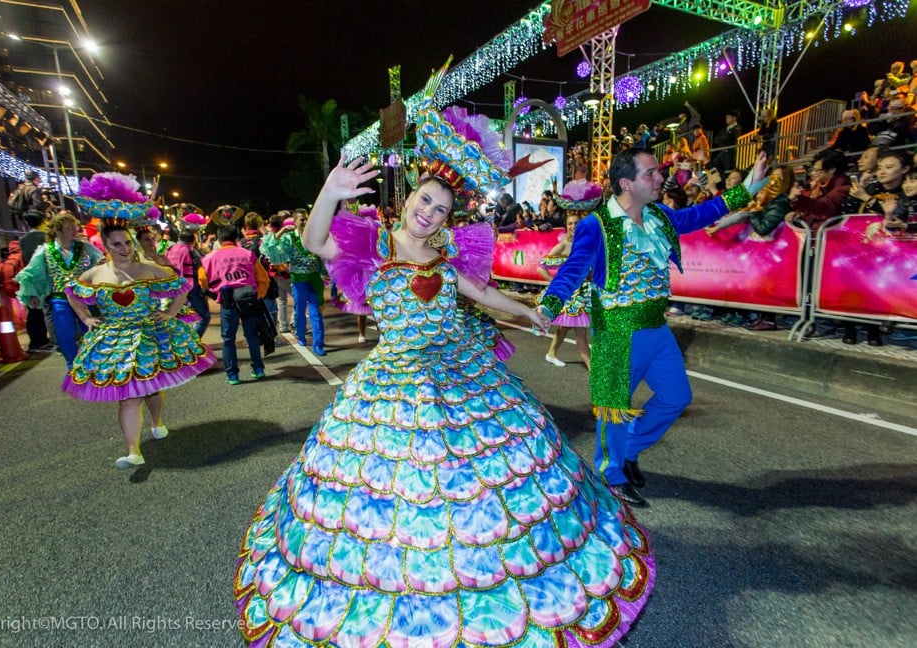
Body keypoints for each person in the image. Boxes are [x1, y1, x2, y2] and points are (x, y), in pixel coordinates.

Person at [234, 59, 655, 647]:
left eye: (438, 209)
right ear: (407, 198)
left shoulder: (448, 257)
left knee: (478, 472)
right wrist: (329, 192)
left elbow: (482, 292)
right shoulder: (374, 243)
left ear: (445, 219)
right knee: (404, 479)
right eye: (422, 201)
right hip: (396, 377)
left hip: (459, 367)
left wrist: (529, 310)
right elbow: (314, 243)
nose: (427, 213)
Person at [539, 148, 764, 507]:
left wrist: (746, 190)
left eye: (658, 172)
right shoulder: (596, 225)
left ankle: (629, 448)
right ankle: (611, 475)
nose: (661, 178)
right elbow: (573, 269)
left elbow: (701, 213)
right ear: (626, 183)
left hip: (657, 329)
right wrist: (549, 306)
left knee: (677, 397)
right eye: (651, 173)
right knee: (615, 407)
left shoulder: (659, 215)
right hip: (615, 330)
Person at [65, 172, 215, 468]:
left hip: (148, 334)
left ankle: (157, 422)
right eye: (118, 244)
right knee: (128, 396)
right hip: (115, 339)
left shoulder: (147, 268)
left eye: (127, 243)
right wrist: (85, 317)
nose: (125, 249)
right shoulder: (96, 274)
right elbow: (72, 291)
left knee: (150, 388)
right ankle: (133, 450)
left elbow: (181, 287)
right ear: (106, 246)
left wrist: (170, 313)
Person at [14, 211, 103, 370]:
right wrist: (33, 293)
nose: (75, 231)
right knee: (64, 333)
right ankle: (72, 365)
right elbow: (32, 272)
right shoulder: (46, 250)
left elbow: (100, 264)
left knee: (90, 330)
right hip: (59, 298)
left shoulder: (85, 247)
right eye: (70, 228)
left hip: (83, 296)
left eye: (76, 228)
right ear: (57, 230)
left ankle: (92, 362)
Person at [201, 226, 270, 385]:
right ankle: (258, 369)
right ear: (236, 239)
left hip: (227, 300)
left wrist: (215, 292)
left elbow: (203, 280)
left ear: (219, 240)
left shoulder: (209, 258)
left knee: (228, 339)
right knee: (252, 335)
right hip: (248, 298)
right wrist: (258, 294)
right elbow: (263, 278)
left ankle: (232, 375)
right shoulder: (248, 254)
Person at [538, 212, 591, 370]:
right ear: (566, 226)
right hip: (569, 294)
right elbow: (541, 266)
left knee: (564, 327)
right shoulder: (563, 245)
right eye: (570, 224)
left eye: (576, 223)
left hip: (582, 292)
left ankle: (551, 353)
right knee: (580, 332)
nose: (573, 226)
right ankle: (593, 368)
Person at [278, 208, 326, 355]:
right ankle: (300, 335)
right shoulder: (289, 237)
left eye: (306, 219)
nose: (304, 222)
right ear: (295, 221)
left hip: (314, 280)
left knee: (316, 312)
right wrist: (281, 232)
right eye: (301, 219)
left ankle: (318, 344)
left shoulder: (314, 236)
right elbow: (275, 249)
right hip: (298, 281)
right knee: (299, 311)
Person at [18, 209, 53, 352]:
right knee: (46, 310)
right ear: (44, 220)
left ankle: (37, 341)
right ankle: (41, 342)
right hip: (45, 277)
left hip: (30, 278)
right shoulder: (46, 237)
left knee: (34, 310)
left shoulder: (23, 240)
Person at [165, 227, 211, 337]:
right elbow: (203, 265)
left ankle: (180, 343)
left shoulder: (170, 249)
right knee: (203, 316)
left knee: (181, 317)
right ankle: (192, 342)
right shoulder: (190, 250)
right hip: (190, 288)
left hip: (172, 287)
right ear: (192, 240)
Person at [710, 108, 742, 175]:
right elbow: (716, 139)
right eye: (726, 117)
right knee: (714, 167)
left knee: (728, 171)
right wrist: (725, 137)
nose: (726, 119)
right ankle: (718, 182)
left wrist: (724, 137)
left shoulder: (738, 127)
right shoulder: (725, 128)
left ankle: (729, 183)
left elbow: (730, 138)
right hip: (722, 151)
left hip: (730, 152)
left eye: (728, 117)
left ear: (734, 118)